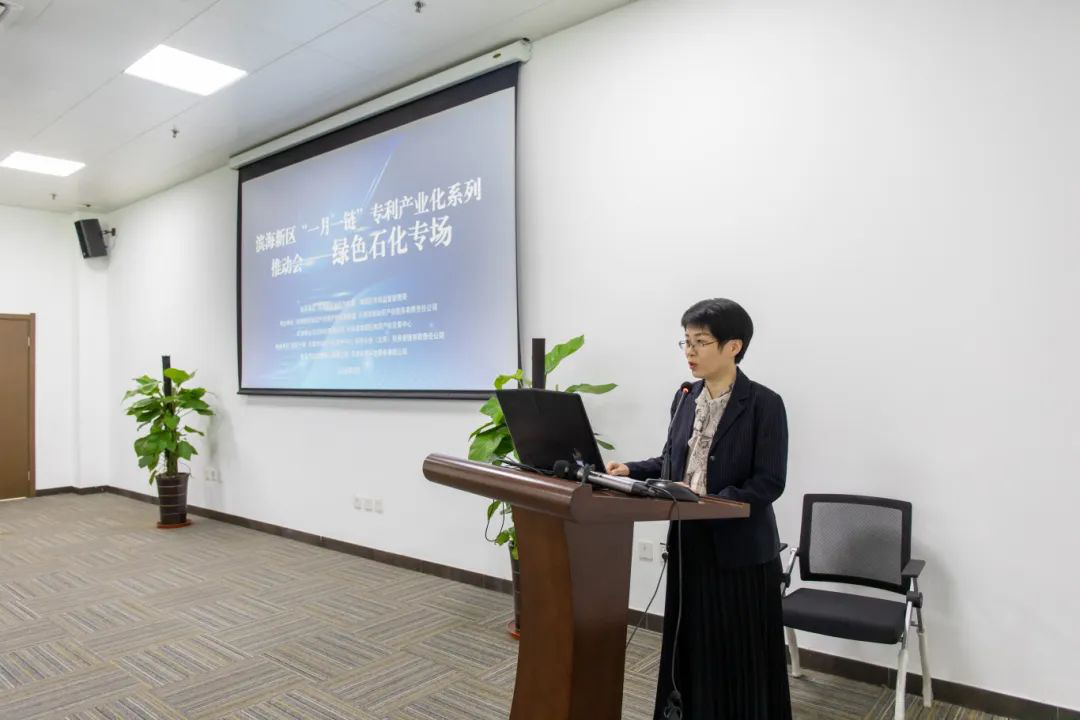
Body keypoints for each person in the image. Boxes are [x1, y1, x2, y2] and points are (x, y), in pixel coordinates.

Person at [607, 298, 792, 720]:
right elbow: (673, 461)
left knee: (736, 652)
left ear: (733, 346)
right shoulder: (685, 396)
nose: (689, 352)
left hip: (739, 551)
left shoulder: (764, 404)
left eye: (700, 342)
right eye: (686, 342)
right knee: (690, 645)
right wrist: (631, 469)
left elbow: (769, 482)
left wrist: (711, 502)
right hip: (688, 542)